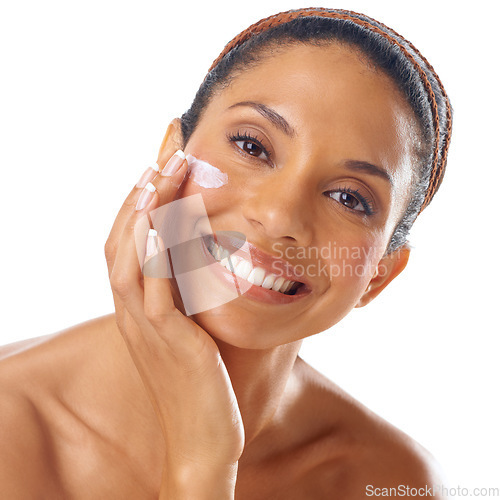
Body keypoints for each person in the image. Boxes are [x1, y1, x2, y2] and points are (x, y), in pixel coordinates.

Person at [0, 7, 452, 499]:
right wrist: (200, 457)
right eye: (252, 146)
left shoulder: (394, 482)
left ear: (378, 276)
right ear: (169, 154)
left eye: (350, 198)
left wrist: (204, 464)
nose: (279, 217)